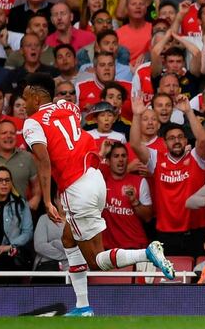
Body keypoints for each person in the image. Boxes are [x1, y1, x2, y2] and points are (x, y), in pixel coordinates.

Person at [21, 73, 174, 316]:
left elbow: (44, 161)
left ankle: (146, 253)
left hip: (75, 187)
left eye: (24, 97)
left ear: (33, 94)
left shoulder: (32, 122)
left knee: (95, 260)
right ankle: (83, 306)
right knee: (69, 240)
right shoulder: (68, 106)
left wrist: (48, 201)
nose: (23, 104)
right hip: (94, 177)